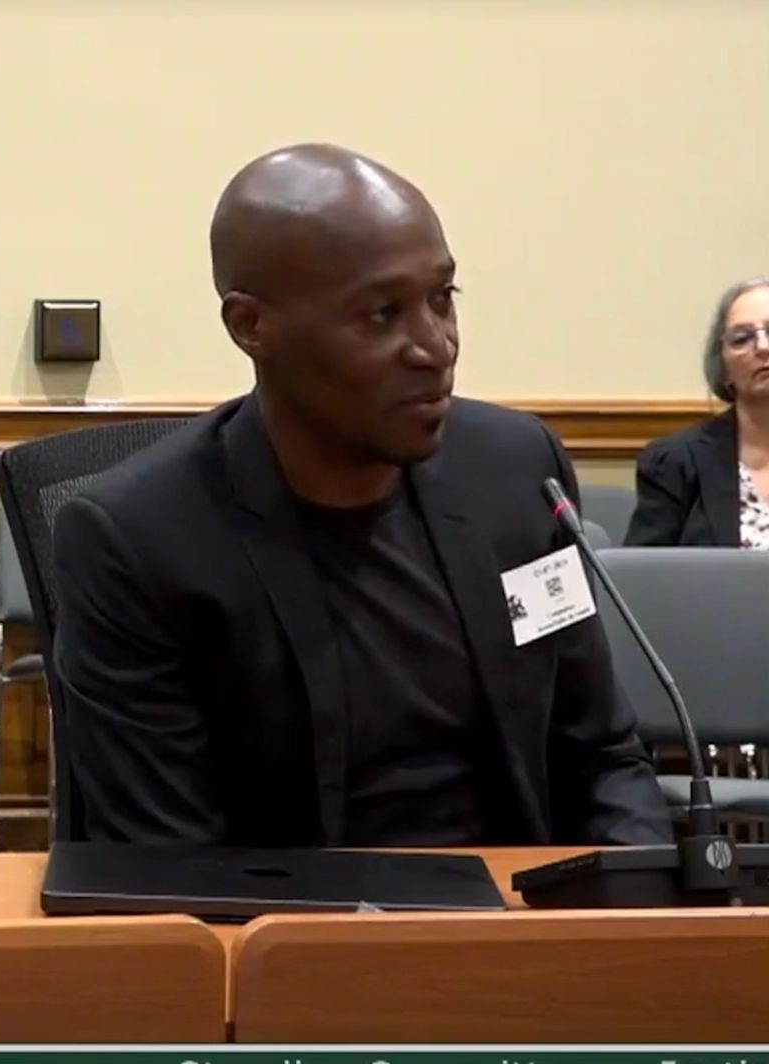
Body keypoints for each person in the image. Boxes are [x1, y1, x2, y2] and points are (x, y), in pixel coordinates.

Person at [50, 144, 669, 848]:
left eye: (442, 299)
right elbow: (165, 859)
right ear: (251, 326)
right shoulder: (139, 539)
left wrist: (632, 912)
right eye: (382, 314)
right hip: (299, 935)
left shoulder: (516, 473)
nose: (435, 347)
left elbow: (599, 755)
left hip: (518, 925)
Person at [625, 277, 769, 548]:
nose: (762, 347)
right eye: (742, 339)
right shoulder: (676, 462)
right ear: (723, 370)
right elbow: (643, 580)